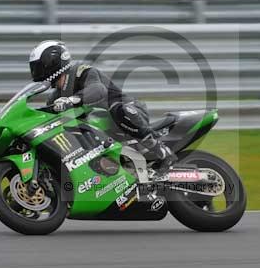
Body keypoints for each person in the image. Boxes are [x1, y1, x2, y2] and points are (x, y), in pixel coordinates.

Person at [28, 40, 177, 175]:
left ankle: (163, 152)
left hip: (130, 112)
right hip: (102, 131)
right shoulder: (55, 97)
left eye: (38, 66)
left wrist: (72, 100)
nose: (36, 71)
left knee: (119, 110)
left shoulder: (81, 71)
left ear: (51, 62)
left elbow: (98, 90)